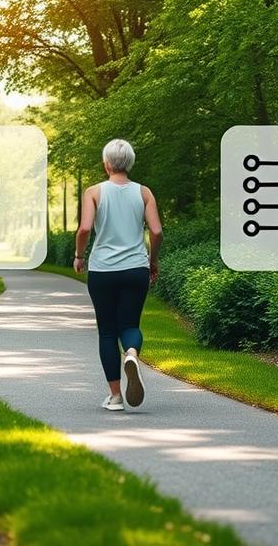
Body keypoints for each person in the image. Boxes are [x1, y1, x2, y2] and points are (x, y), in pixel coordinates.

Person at [74, 139, 163, 411]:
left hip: (103, 270)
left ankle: (115, 397)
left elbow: (85, 229)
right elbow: (156, 232)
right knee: (130, 325)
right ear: (130, 163)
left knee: (107, 332)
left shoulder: (94, 192)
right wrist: (153, 261)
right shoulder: (144, 193)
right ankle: (132, 354)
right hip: (136, 268)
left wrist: (79, 255)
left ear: (106, 164)